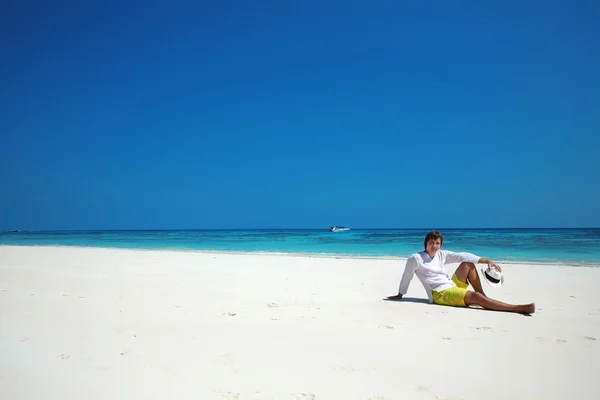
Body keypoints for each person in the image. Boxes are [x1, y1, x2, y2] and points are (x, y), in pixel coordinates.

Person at [387, 230, 535, 314]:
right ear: (425, 243)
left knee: (467, 264)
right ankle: (518, 308)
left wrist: (487, 261)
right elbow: (407, 276)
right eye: (431, 242)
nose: (434, 245)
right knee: (475, 296)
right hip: (439, 294)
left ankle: (484, 299)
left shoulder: (441, 254)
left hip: (451, 285)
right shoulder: (416, 258)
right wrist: (400, 294)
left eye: (437, 243)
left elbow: (463, 255)